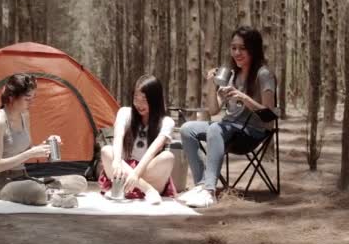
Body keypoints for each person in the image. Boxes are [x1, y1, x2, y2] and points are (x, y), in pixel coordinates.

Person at [179, 26, 276, 208]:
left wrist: (242, 97)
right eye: (233, 48)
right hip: (228, 129)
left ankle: (209, 191)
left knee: (216, 128)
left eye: (242, 48)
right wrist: (211, 84)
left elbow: (269, 115)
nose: (237, 53)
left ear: (253, 49)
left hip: (252, 133)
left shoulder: (263, 74)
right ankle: (201, 185)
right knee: (187, 129)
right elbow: (213, 110)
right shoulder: (231, 75)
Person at [0, 73, 86, 205]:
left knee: (80, 181)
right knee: (36, 192)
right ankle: (52, 194)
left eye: (33, 98)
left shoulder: (24, 116)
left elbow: (27, 150)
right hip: (4, 183)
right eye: (28, 99)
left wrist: (46, 145)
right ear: (11, 97)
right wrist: (30, 153)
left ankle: (49, 193)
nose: (32, 102)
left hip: (24, 177)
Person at [98, 75, 176, 205]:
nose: (139, 104)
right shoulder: (125, 112)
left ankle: (129, 188)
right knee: (107, 150)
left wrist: (136, 174)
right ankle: (148, 190)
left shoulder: (166, 122)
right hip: (122, 172)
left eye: (144, 99)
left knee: (168, 157)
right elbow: (118, 137)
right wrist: (117, 160)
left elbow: (152, 151)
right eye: (136, 98)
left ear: (155, 100)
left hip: (148, 171)